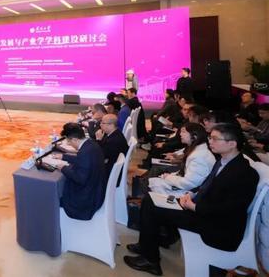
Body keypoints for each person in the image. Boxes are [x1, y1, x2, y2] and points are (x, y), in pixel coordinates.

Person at [124, 123, 259, 275]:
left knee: (152, 206)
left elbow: (231, 209)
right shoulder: (224, 161)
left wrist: (194, 207)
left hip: (216, 226)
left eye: (215, 139)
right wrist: (192, 194)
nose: (210, 141)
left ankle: (150, 259)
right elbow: (206, 185)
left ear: (232, 144)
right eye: (210, 137)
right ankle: (147, 246)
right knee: (151, 199)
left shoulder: (244, 173)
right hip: (202, 210)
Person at [52, 123, 106, 220]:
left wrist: (63, 168)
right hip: (96, 190)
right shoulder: (91, 144)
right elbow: (83, 160)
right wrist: (64, 157)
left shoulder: (85, 152)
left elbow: (80, 178)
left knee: (54, 195)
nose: (69, 144)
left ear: (75, 140)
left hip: (86, 201)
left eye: (69, 142)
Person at [148, 123, 216, 196]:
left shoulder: (199, 157)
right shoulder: (196, 149)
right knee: (151, 182)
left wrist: (168, 177)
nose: (180, 134)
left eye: (184, 132)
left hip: (186, 194)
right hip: (185, 187)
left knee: (151, 183)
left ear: (194, 136)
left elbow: (189, 183)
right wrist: (170, 176)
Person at [93, 114, 128, 185]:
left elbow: (100, 156)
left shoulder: (114, 140)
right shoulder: (113, 134)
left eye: (103, 123)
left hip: (109, 173)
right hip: (109, 166)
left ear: (111, 125)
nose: (100, 125)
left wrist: (98, 140)